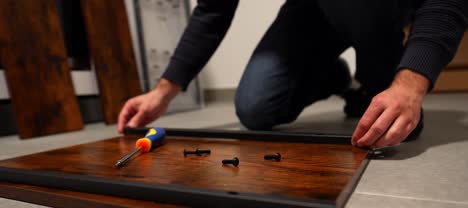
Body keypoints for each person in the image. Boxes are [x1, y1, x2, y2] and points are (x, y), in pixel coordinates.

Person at [118, 0, 467, 148]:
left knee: (398, 129)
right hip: (311, 9)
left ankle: (376, 82)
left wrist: (410, 84)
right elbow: (212, 10)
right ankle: (336, 78)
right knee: (255, 108)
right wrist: (162, 92)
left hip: (376, 7)